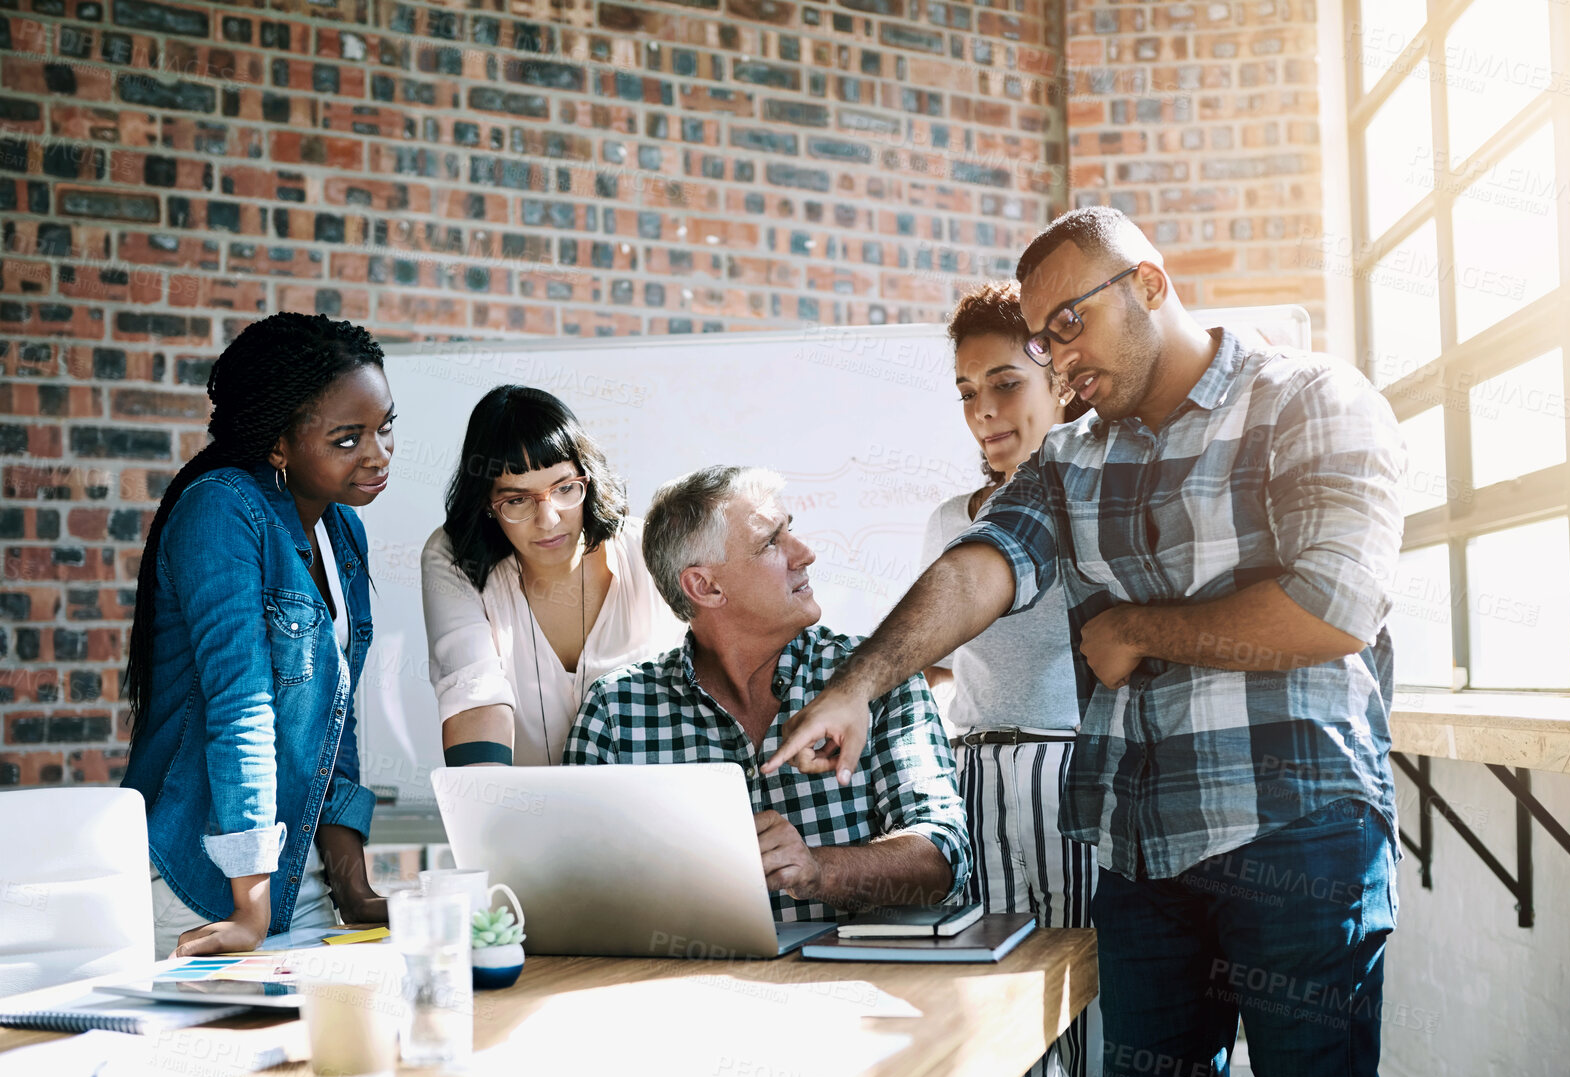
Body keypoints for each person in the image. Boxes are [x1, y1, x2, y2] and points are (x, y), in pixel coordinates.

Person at [770, 207, 1407, 1077]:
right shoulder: (1070, 461)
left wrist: (1138, 628)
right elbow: (979, 566)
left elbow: (1333, 609)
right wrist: (860, 682)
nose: (1057, 359)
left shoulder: (1305, 398)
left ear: (1148, 284)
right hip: (1137, 851)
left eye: (1070, 323)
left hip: (1294, 830)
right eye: (1041, 337)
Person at [565, 465, 971, 920]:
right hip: (685, 985)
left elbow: (945, 855)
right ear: (706, 586)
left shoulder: (877, 677)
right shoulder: (617, 712)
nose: (805, 553)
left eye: (790, 532)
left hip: (855, 982)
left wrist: (819, 870)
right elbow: (575, 890)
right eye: (771, 543)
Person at [123, 313, 395, 958]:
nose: (378, 454)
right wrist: (249, 908)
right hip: (204, 890)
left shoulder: (341, 532)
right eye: (347, 439)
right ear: (278, 444)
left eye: (385, 428)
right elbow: (240, 708)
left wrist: (353, 887)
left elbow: (336, 727)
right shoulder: (220, 511)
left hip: (299, 888)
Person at [920, 280, 1113, 1077]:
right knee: (987, 1004)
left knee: (1077, 1008)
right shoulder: (944, 524)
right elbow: (932, 666)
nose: (983, 412)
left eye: (1005, 384)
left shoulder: (1095, 504)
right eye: (967, 392)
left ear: (1060, 381)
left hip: (1067, 778)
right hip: (969, 782)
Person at [421, 385, 683, 768]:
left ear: (586, 479)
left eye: (564, 488)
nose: (549, 519)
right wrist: (489, 814)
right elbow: (474, 698)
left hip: (657, 809)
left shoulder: (650, 549)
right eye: (516, 500)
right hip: (527, 815)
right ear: (486, 505)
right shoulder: (455, 556)